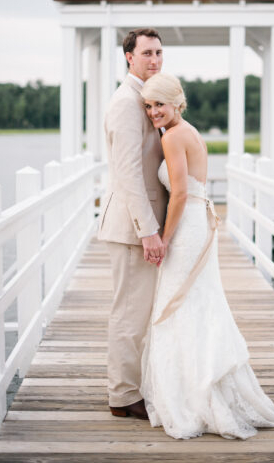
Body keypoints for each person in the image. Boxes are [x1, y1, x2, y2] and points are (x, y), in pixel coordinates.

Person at [140, 73, 274, 440]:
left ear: (177, 101)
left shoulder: (173, 137)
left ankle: (194, 396)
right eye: (148, 105)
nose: (153, 111)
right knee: (200, 304)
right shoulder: (189, 131)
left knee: (181, 308)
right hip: (198, 223)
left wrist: (163, 238)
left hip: (185, 228)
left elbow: (177, 195)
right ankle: (207, 384)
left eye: (159, 103)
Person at [97, 29, 168, 420]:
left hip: (142, 225)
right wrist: (148, 231)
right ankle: (122, 397)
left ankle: (131, 388)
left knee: (137, 313)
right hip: (131, 228)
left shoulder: (145, 99)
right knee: (129, 313)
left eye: (159, 52)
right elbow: (126, 173)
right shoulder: (126, 103)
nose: (154, 59)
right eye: (146, 53)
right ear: (129, 57)